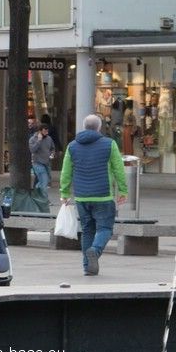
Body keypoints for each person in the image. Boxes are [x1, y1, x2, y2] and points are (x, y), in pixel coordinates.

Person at [59, 114, 127, 276]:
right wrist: (123, 191)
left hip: (82, 197)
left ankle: (87, 267)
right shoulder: (109, 144)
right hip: (103, 195)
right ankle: (95, 251)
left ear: (84, 126)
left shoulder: (72, 146)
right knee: (105, 228)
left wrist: (64, 192)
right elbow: (119, 169)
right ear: (99, 127)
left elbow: (66, 172)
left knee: (88, 231)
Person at [29, 123, 56, 194]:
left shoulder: (49, 138)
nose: (46, 133)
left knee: (45, 181)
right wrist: (39, 141)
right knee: (44, 180)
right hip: (37, 163)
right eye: (45, 131)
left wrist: (52, 154)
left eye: (47, 131)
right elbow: (32, 150)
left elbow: (52, 148)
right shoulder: (32, 139)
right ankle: (44, 200)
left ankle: (35, 193)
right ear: (39, 131)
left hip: (47, 163)